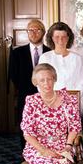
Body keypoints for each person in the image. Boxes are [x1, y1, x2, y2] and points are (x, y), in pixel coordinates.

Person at [20, 63, 82, 164]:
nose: (46, 83)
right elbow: (27, 133)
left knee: (62, 163)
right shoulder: (31, 101)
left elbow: (75, 127)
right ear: (36, 83)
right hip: (37, 146)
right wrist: (44, 151)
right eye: (42, 80)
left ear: (54, 79)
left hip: (63, 144)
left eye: (49, 79)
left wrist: (68, 146)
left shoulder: (68, 99)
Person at [8, 19, 50, 149]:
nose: (33, 33)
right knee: (26, 126)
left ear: (43, 32)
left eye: (37, 29)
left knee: (46, 124)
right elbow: (13, 75)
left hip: (47, 95)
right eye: (30, 30)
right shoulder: (17, 53)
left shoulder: (50, 52)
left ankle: (45, 151)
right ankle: (27, 152)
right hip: (25, 95)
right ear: (27, 33)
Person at [39, 22, 83, 109]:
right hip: (50, 103)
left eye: (64, 37)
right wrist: (52, 99)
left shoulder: (77, 58)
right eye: (57, 37)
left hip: (72, 103)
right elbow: (40, 82)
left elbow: (81, 82)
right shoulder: (45, 57)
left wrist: (69, 99)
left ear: (68, 38)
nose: (60, 40)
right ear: (52, 38)